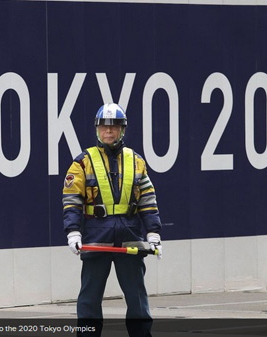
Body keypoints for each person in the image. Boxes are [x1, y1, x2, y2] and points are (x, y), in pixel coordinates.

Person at [62, 103, 163, 337]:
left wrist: (154, 233)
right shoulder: (82, 162)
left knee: (137, 298)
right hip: (96, 237)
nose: (109, 131)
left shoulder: (136, 161)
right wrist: (73, 232)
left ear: (123, 129)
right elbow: (72, 200)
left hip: (130, 237)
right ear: (97, 129)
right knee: (89, 300)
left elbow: (148, 200)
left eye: (115, 126)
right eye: (104, 127)